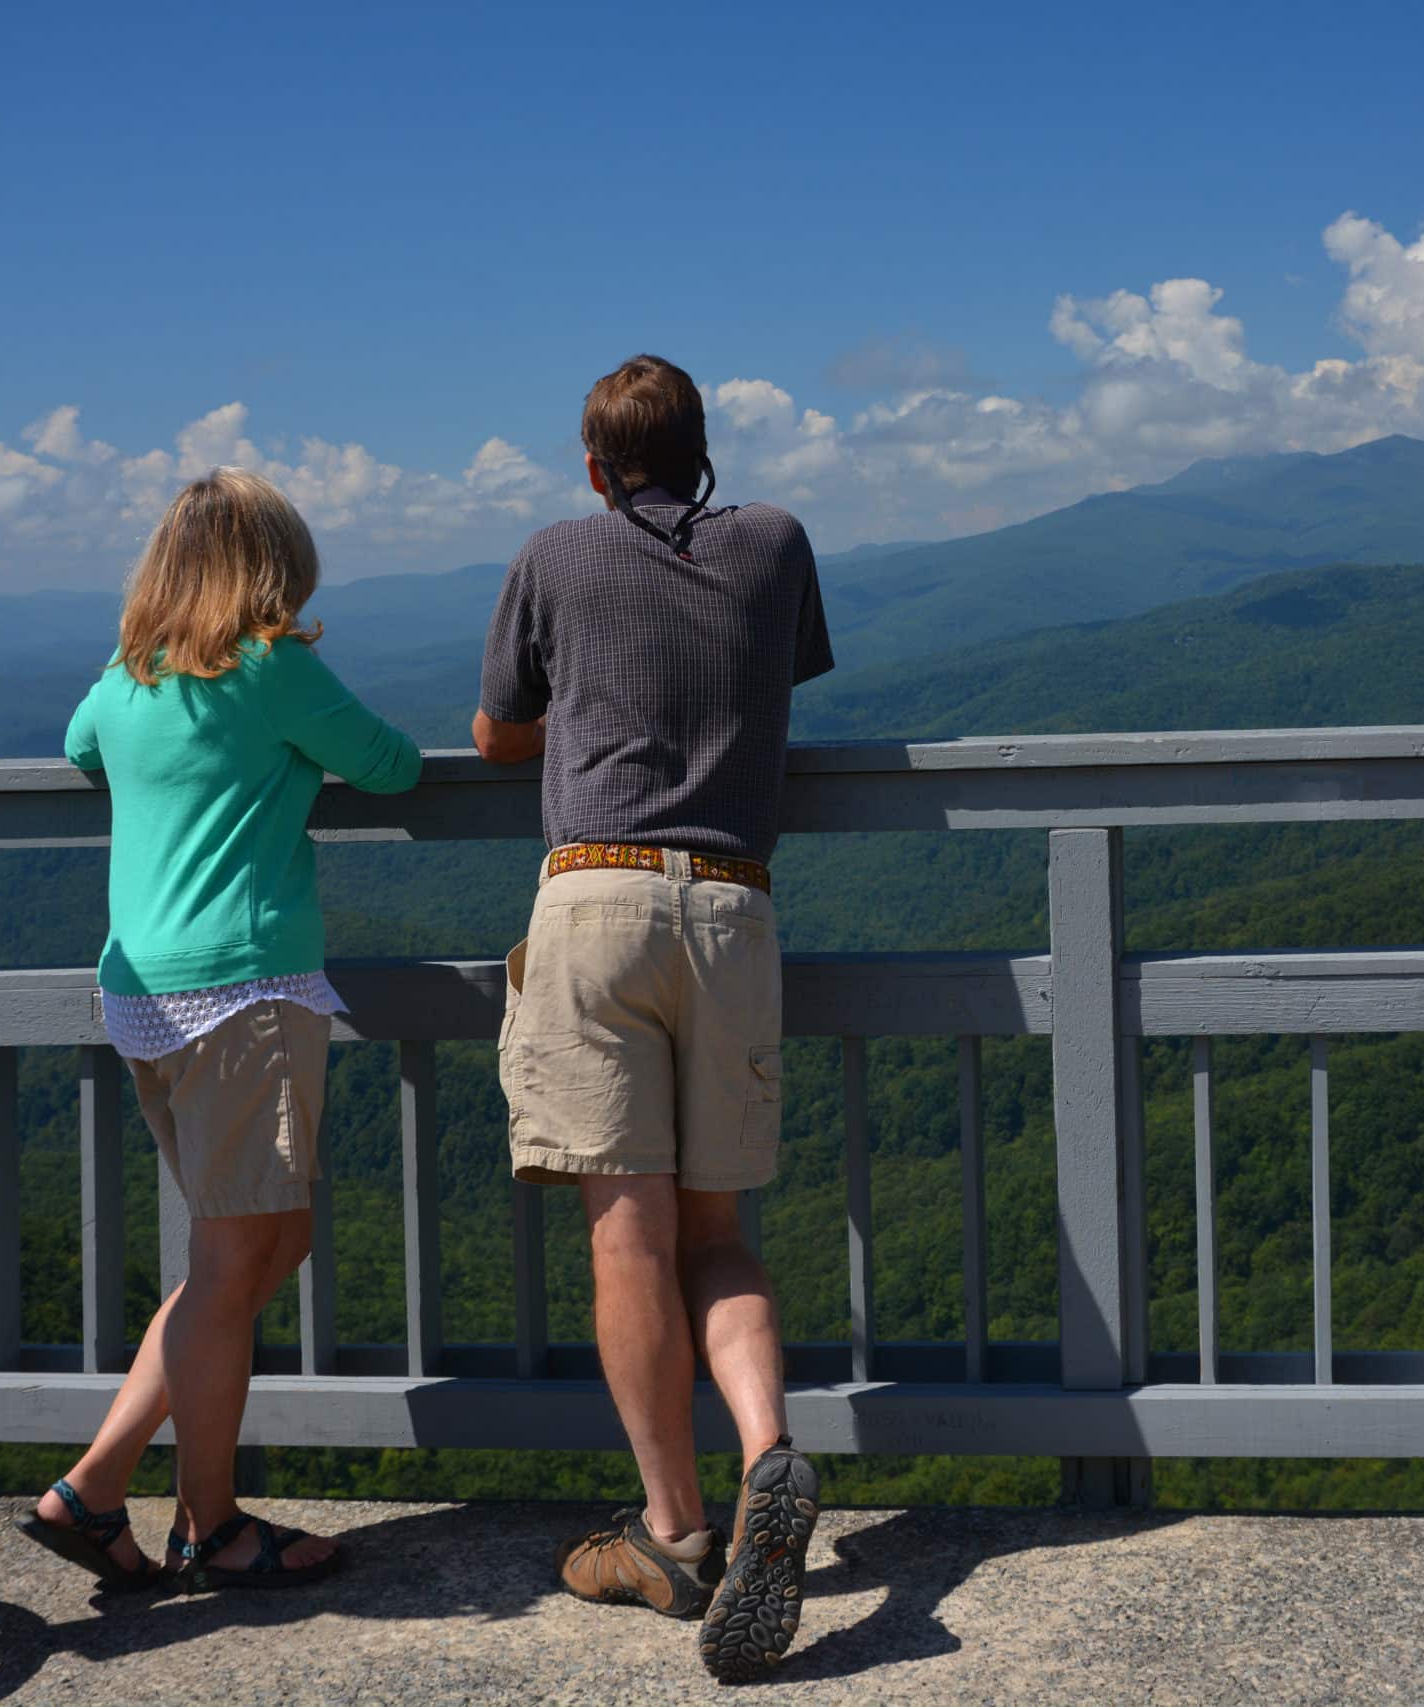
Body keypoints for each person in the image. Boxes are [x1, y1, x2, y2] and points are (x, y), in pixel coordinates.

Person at [475, 354, 833, 1680]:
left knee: (626, 1241)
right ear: (704, 451)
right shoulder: (779, 542)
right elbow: (772, 674)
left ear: (592, 465)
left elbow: (499, 729)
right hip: (733, 904)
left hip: (597, 898)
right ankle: (768, 1453)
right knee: (717, 1231)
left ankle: (674, 1533)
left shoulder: (553, 554)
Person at [19, 467, 421, 1594]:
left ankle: (95, 1489)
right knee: (239, 1259)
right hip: (244, 990)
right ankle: (208, 1524)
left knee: (244, 1254)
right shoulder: (268, 666)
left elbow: (77, 751)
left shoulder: (125, 678)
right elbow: (388, 766)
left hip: (142, 995)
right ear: (271, 570)